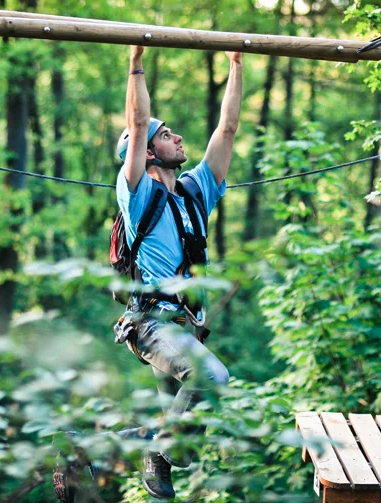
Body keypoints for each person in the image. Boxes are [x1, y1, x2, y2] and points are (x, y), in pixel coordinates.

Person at [114, 45, 243, 500]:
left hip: (182, 326)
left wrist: (236, 65)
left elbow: (227, 130)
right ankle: (156, 451)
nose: (179, 139)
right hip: (150, 324)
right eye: (167, 135)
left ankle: (95, 453)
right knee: (212, 379)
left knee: (179, 422)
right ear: (147, 152)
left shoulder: (194, 193)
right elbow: (135, 122)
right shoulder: (136, 193)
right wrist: (136, 62)